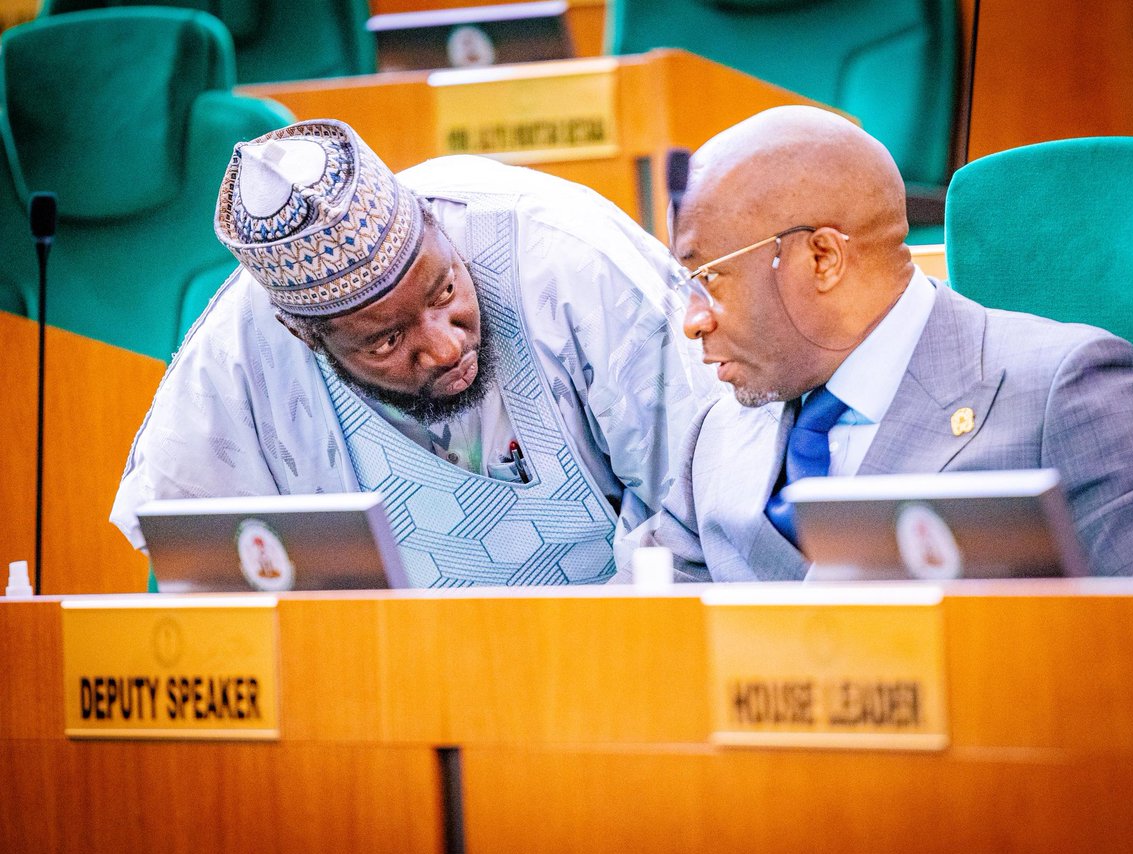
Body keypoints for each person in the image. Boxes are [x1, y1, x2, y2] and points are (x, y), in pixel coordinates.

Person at [111, 119, 717, 587]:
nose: (447, 345)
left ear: (436, 224)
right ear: (305, 334)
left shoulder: (565, 257)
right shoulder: (239, 356)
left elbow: (710, 504)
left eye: (445, 290)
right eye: (386, 340)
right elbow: (211, 582)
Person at [622, 105, 1133, 580]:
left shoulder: (1061, 388)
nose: (693, 321)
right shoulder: (717, 430)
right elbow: (629, 635)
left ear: (822, 258)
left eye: (709, 278)